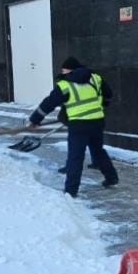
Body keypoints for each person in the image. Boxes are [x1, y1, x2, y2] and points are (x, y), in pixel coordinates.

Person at [29, 57, 118, 197]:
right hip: (97, 121)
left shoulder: (65, 85)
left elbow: (49, 103)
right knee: (98, 151)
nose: (62, 72)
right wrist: (102, 105)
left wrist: (35, 119)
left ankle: (71, 191)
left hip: (79, 125)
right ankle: (112, 178)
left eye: (63, 69)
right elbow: (108, 94)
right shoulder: (95, 78)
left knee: (75, 157)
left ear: (70, 70)